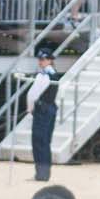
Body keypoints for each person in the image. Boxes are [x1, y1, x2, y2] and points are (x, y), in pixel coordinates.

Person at [26, 43, 59, 182]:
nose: (41, 62)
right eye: (40, 60)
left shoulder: (45, 75)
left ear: (49, 60)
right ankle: (43, 173)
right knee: (44, 141)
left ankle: (41, 174)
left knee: (39, 141)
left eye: (43, 59)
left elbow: (34, 93)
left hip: (42, 109)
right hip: (49, 108)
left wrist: (30, 107)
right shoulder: (51, 74)